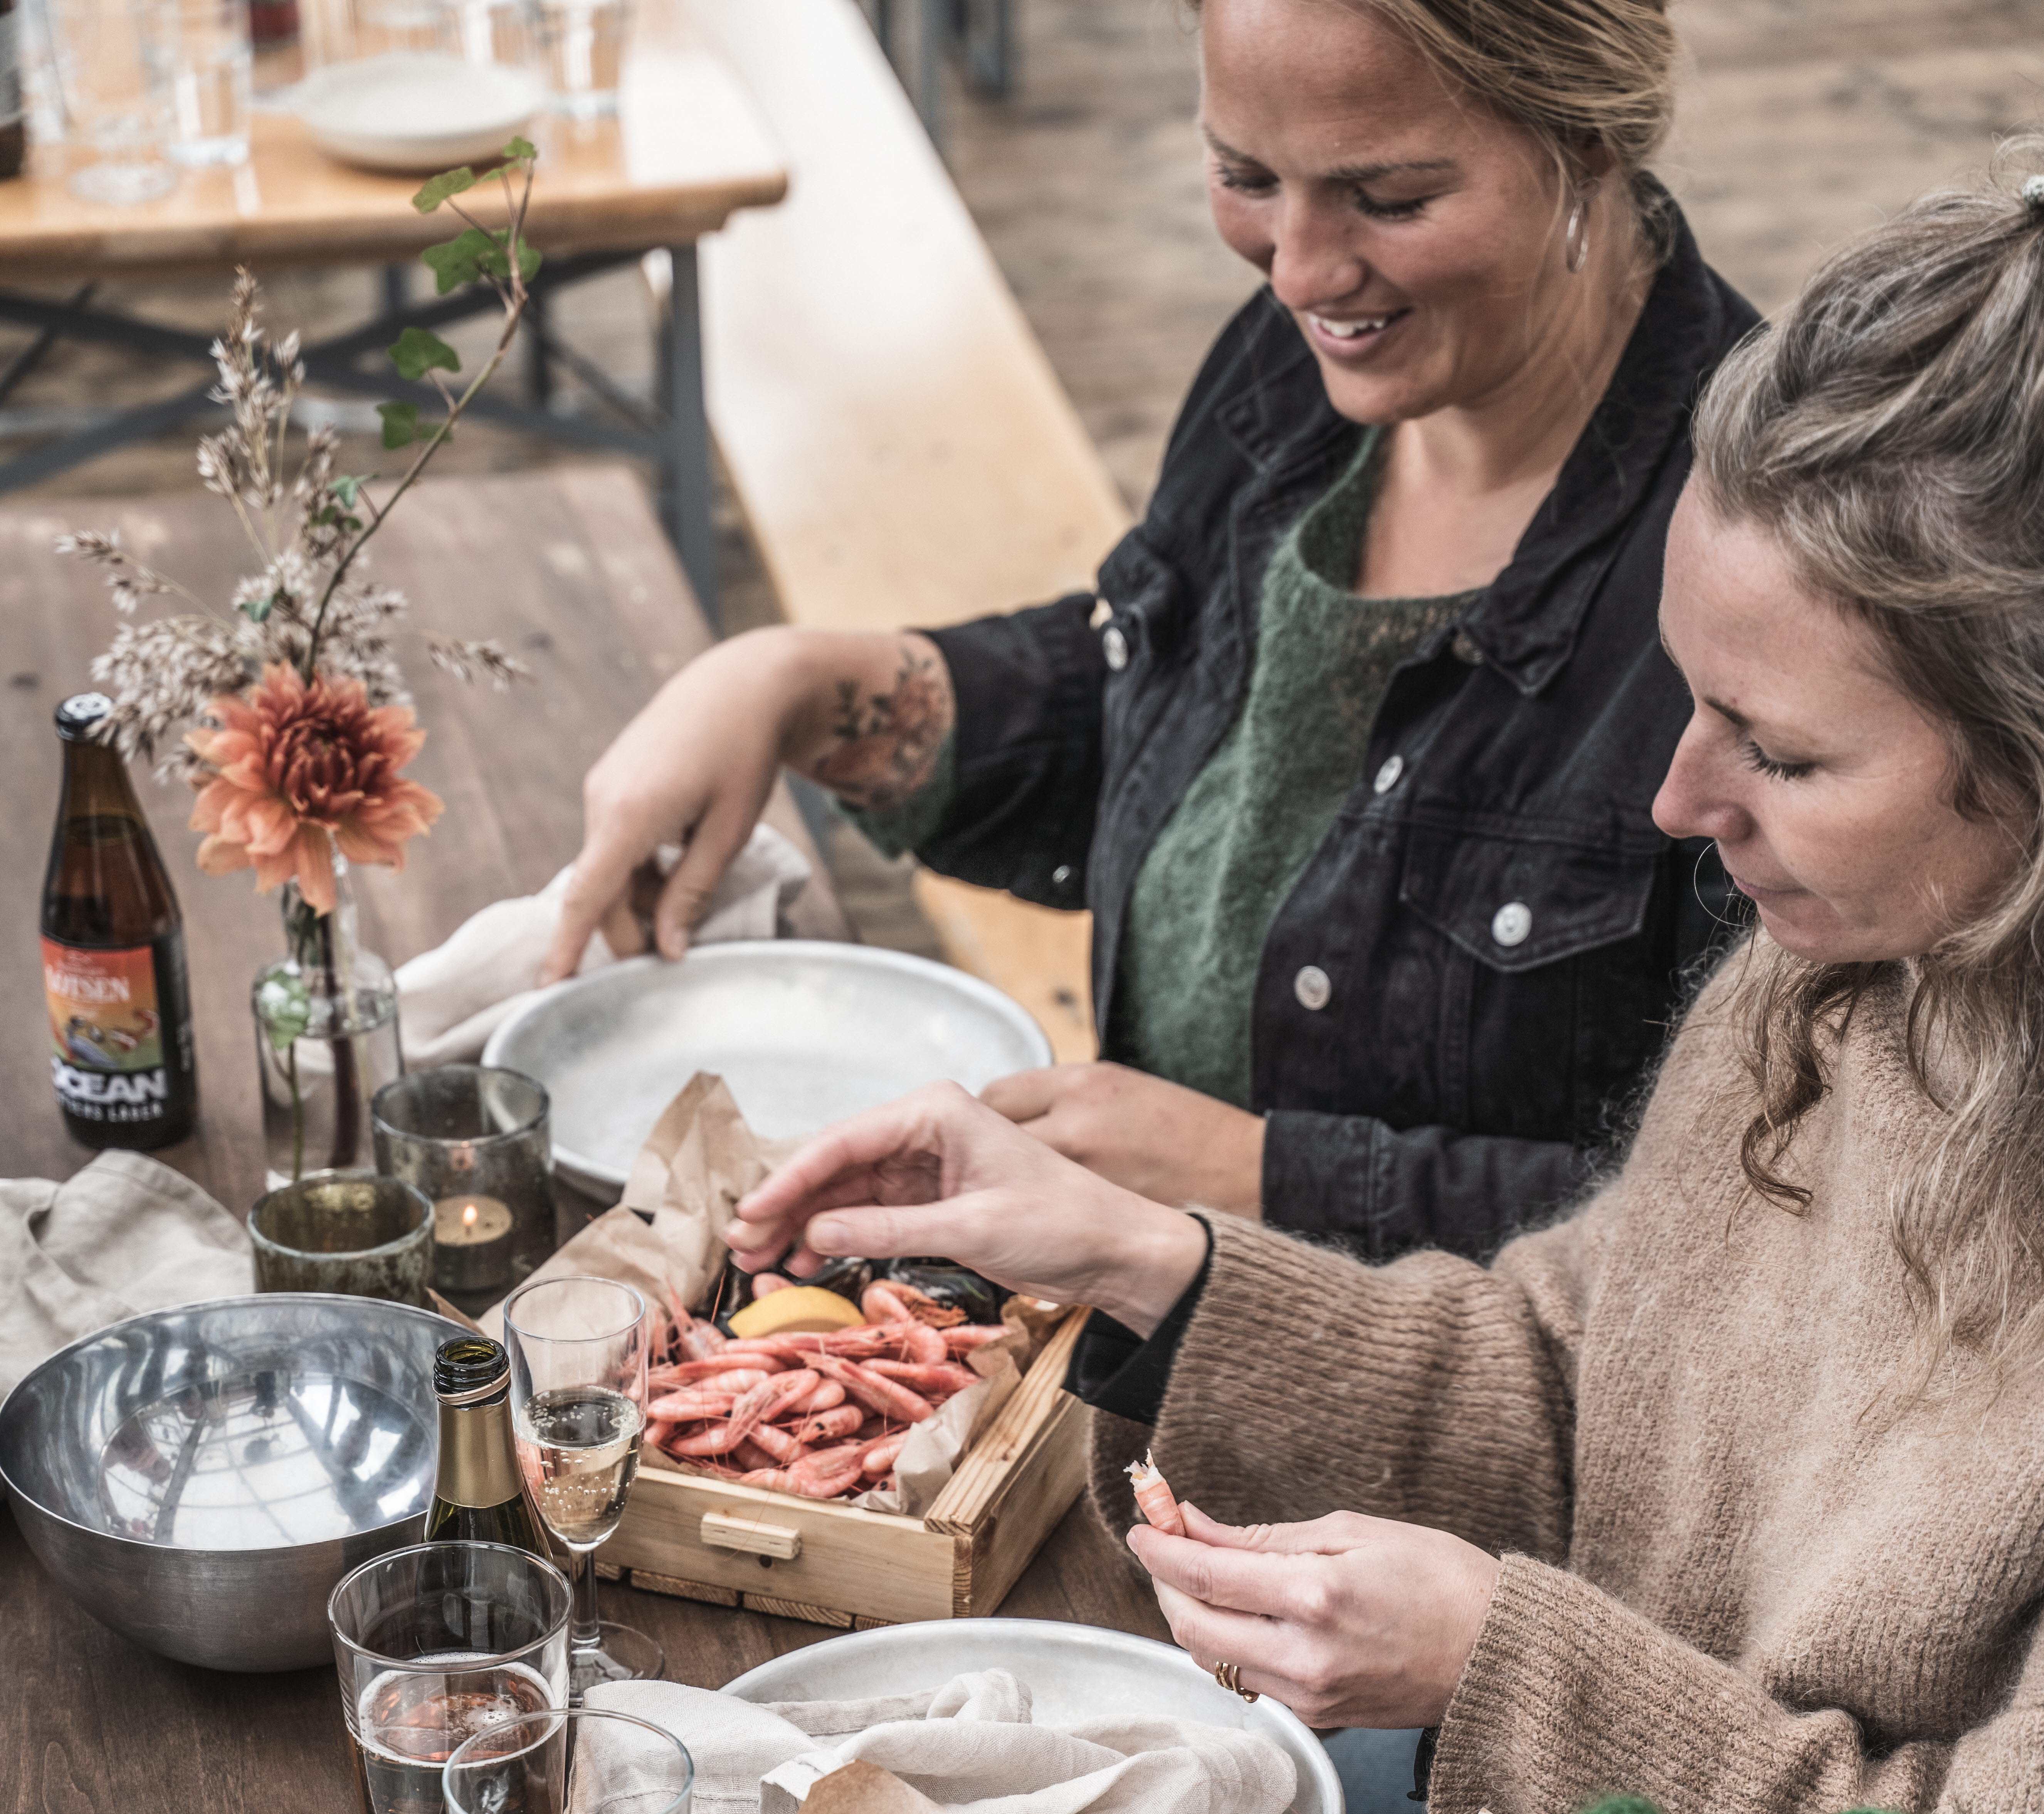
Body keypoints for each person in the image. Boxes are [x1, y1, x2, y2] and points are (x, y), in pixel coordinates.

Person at [723, 159, 2044, 1814]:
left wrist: (1508, 1669)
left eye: (1778, 750)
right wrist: (1155, 1265)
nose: (1678, 808)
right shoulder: (1840, 984)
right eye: (1691, 704)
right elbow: (1580, 1392)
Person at [543, 0, 1756, 1259]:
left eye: (1387, 197)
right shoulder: (1302, 370)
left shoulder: (1769, 573)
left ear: (1591, 135)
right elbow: (1191, 721)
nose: (1297, 270)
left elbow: (1779, 1229)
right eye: (1244, 177)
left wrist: (1255, 1175)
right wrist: (804, 686)